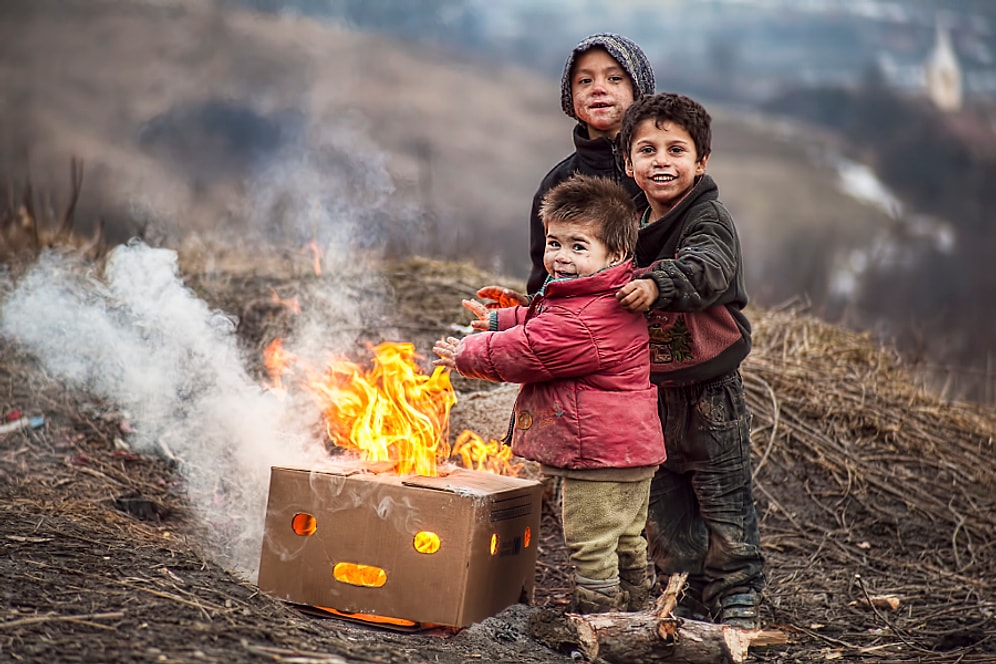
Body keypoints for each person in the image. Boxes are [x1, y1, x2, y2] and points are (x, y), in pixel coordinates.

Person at [434, 174, 666, 614]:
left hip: (598, 453)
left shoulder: (590, 316)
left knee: (590, 542)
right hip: (628, 448)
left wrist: (467, 354)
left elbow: (534, 349)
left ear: (615, 254)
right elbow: (542, 321)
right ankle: (639, 607)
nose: (560, 257)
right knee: (625, 535)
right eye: (554, 242)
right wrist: (502, 320)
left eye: (579, 246)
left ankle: (599, 618)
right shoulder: (595, 297)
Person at [614, 92, 766, 629]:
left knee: (724, 503)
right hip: (648, 393)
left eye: (676, 150)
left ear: (701, 162)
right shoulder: (624, 224)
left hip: (710, 393)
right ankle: (684, 598)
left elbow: (709, 269)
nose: (661, 161)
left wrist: (658, 282)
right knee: (665, 512)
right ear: (628, 163)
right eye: (647, 150)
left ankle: (738, 601)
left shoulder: (708, 219)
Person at [477, 33, 655, 308]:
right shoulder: (559, 183)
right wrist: (527, 305)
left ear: (639, 89)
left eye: (614, 78)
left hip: (664, 322)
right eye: (585, 80)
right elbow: (547, 279)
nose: (598, 88)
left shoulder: (663, 171)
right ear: (570, 97)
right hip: (583, 328)